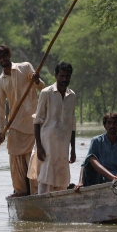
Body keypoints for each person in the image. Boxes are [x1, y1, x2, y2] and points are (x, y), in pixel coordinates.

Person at [0, 44, 46, 197]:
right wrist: (0, 131)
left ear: (9, 55)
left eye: (5, 55)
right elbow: (1, 108)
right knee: (16, 159)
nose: (3, 59)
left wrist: (36, 80)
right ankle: (21, 190)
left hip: (33, 122)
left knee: (33, 157)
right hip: (14, 124)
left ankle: (36, 192)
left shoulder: (25, 67)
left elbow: (41, 87)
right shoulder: (0, 81)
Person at [33, 62, 76, 194]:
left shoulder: (72, 95)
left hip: (63, 144)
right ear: (56, 75)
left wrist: (73, 149)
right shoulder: (46, 93)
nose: (64, 79)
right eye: (62, 76)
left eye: (67, 76)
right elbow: (37, 120)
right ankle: (42, 205)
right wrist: (39, 146)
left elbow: (72, 123)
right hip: (48, 143)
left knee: (61, 177)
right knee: (46, 177)